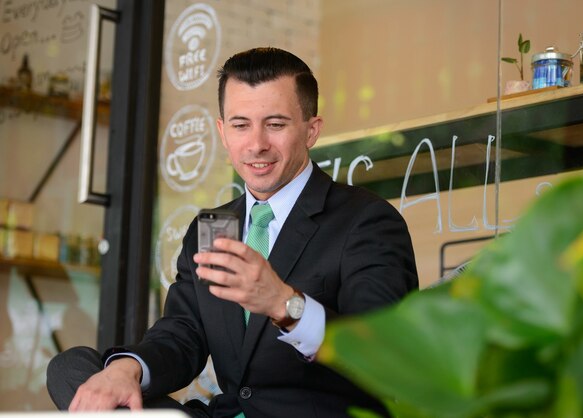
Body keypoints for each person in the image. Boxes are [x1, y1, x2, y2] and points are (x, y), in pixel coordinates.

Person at [47, 47, 419, 418]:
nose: (256, 144)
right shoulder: (212, 227)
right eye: (241, 125)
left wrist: (284, 305)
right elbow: (183, 334)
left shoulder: (366, 221)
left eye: (275, 124)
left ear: (311, 130)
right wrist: (126, 371)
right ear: (223, 133)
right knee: (73, 369)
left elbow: (384, 359)